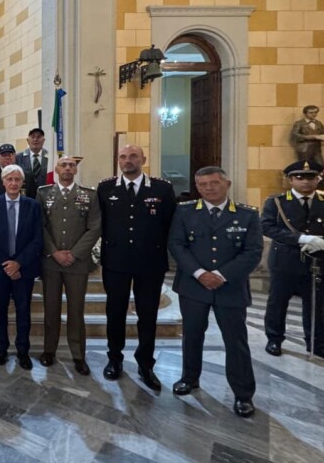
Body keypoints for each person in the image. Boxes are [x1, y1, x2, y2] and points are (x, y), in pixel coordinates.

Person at [168, 166, 262, 418]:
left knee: (236, 341)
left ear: (227, 184)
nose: (208, 188)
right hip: (193, 286)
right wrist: (200, 273)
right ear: (197, 187)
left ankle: (243, 395)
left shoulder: (247, 215)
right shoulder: (185, 211)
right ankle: (189, 378)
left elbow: (252, 252)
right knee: (192, 335)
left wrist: (220, 275)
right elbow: (176, 244)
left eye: (213, 183)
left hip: (229, 287)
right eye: (202, 184)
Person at [97, 145, 175, 390]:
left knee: (148, 315)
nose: (127, 161)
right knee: (115, 313)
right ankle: (114, 360)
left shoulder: (162, 188)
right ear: (118, 161)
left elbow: (170, 225)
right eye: (123, 157)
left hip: (150, 263)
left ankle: (145, 364)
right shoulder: (106, 188)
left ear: (143, 159)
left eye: (132, 157)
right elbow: (100, 223)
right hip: (116, 263)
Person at [37, 157, 101, 375]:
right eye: (63, 165)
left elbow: (94, 228)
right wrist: (54, 252)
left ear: (75, 169)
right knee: (51, 310)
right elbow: (40, 226)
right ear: (56, 169)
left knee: (76, 311)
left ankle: (78, 355)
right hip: (51, 262)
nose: (67, 168)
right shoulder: (43, 193)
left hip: (77, 263)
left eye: (71, 165)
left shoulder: (89, 195)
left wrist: (74, 254)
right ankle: (49, 350)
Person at [261, 160, 324, 357]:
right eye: (299, 177)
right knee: (277, 303)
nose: (305, 182)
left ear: (318, 179)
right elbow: (267, 227)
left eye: (310, 177)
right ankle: (274, 339)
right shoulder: (276, 201)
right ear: (290, 180)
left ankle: (315, 342)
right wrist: (301, 238)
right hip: (285, 261)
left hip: (317, 261)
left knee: (316, 304)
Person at [0, 165, 42, 370]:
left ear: (22, 182)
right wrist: (7, 265)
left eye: (17, 179)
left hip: (23, 269)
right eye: (9, 179)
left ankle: (23, 350)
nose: (14, 183)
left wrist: (18, 263)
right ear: (3, 181)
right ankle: (1, 347)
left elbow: (37, 239)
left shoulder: (33, 206)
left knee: (23, 310)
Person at [15, 128, 49, 198]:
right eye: (33, 137)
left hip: (46, 197)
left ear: (43, 140)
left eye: (38, 137)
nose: (35, 139)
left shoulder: (50, 156)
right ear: (27, 140)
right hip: (25, 197)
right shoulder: (18, 157)